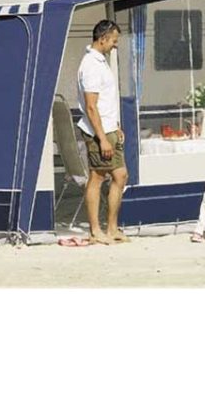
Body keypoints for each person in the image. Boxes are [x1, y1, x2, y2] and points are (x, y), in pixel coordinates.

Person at [76, 19, 129, 245]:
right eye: (113, 41)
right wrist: (102, 138)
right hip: (99, 132)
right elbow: (91, 106)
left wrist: (115, 126)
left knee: (121, 175)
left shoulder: (100, 61)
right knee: (97, 177)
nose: (115, 45)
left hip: (109, 128)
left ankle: (112, 228)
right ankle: (95, 230)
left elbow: (106, 100)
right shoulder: (90, 65)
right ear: (103, 38)